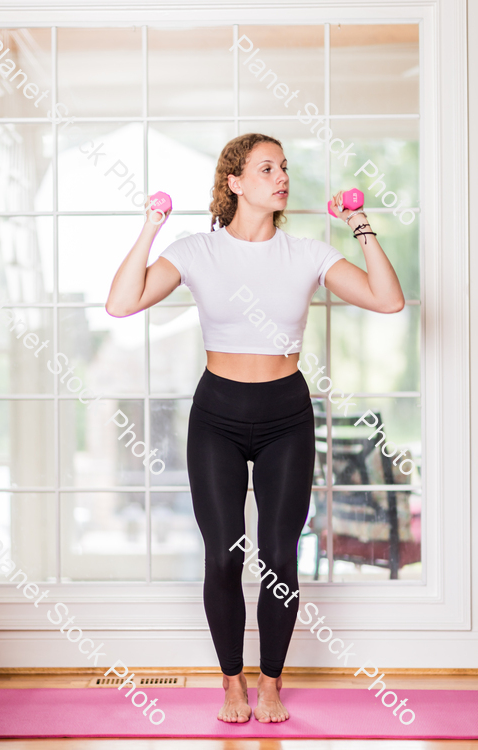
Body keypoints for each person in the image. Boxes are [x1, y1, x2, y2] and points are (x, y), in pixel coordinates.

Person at [105, 133, 405, 724]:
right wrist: (150, 228)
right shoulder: (197, 251)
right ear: (235, 183)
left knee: (278, 557)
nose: (282, 176)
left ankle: (271, 681)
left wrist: (361, 225)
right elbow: (121, 302)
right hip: (216, 413)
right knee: (222, 557)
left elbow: (387, 299)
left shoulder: (307, 253)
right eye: (267, 168)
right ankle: (231, 682)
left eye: (285, 167)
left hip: (285, 417)